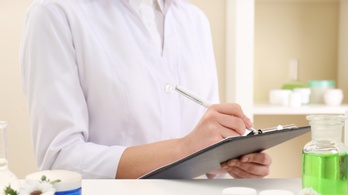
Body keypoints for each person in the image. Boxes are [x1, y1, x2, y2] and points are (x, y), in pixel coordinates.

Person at [20, 0, 272, 179]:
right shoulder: (55, 12)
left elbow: (201, 142)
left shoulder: (194, 20)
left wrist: (224, 160)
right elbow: (60, 160)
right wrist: (183, 150)